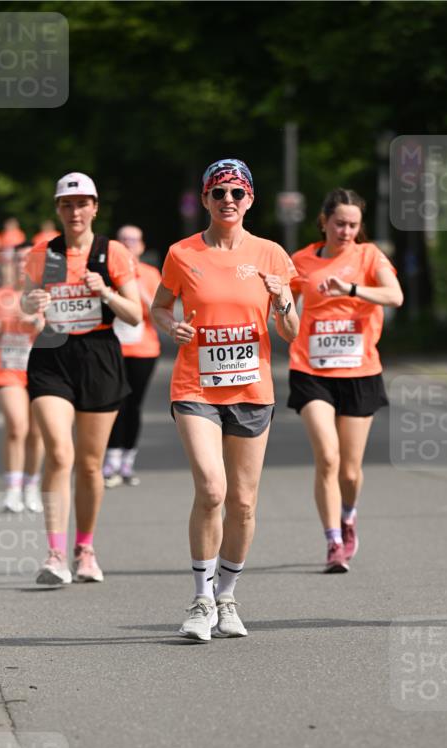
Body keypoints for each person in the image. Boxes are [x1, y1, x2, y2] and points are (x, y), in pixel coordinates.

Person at [151, 158, 299, 642]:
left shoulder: (272, 255)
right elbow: (159, 306)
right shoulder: (181, 253)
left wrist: (282, 301)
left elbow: (291, 331)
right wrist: (170, 325)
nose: (228, 201)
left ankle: (227, 597)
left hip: (252, 390)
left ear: (250, 199)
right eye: (219, 194)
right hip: (196, 387)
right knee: (212, 489)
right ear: (207, 200)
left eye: (237, 193)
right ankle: (199, 599)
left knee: (243, 502)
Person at [21, 172, 141, 585]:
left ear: (95, 207)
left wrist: (105, 292)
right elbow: (24, 305)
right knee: (59, 451)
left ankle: (84, 549)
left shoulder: (114, 253)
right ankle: (55, 554)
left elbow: (136, 314)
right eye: (67, 204)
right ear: (58, 208)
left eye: (82, 203)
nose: (75, 211)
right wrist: (31, 301)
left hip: (100, 354)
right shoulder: (42, 255)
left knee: (90, 465)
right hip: (52, 353)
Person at [288, 188, 403, 572]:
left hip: (359, 372)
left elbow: (395, 295)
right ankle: (333, 542)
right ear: (324, 222)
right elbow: (280, 309)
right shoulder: (301, 261)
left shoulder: (369, 256)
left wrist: (351, 289)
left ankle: (348, 516)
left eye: (353, 224)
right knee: (328, 457)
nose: (346, 231)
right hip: (311, 371)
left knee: (350, 470)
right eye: (339, 223)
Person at [0, 243, 44, 513]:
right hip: (9, 368)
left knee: (36, 432)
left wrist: (35, 323)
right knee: (16, 427)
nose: (23, 264)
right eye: (19, 259)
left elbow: (54, 331)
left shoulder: (46, 295)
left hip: (41, 369)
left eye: (28, 259)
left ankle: (32, 486)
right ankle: (12, 490)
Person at [103, 225, 162, 487]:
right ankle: (111, 461)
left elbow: (158, 313)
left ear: (141, 246)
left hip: (143, 349)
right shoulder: (106, 273)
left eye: (133, 240)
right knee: (114, 403)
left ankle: (128, 461)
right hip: (112, 347)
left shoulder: (150, 274)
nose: (128, 244)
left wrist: (138, 289)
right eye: (123, 239)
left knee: (134, 404)